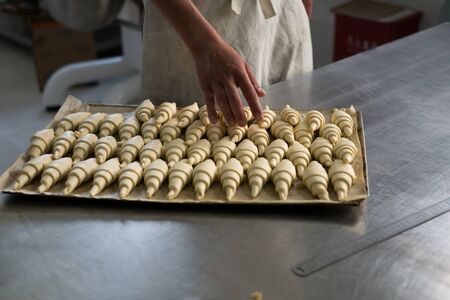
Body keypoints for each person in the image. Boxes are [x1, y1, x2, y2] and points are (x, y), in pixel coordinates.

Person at [141, 0, 313, 126]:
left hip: (283, 12)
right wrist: (204, 46)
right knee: (191, 129)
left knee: (293, 125)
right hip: (197, 22)